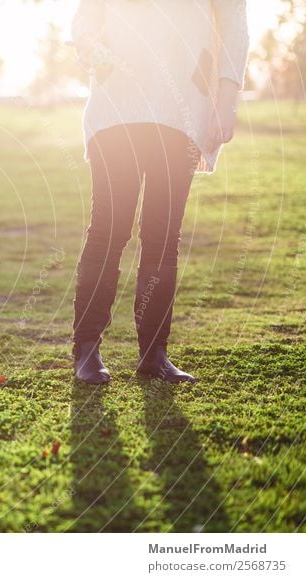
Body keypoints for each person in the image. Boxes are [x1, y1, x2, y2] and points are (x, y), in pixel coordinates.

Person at [70, 0, 250, 384]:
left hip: (183, 111)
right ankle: (86, 350)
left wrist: (227, 99)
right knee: (108, 232)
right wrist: (97, 56)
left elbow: (234, 21)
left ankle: (154, 354)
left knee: (162, 237)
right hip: (115, 111)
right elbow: (86, 17)